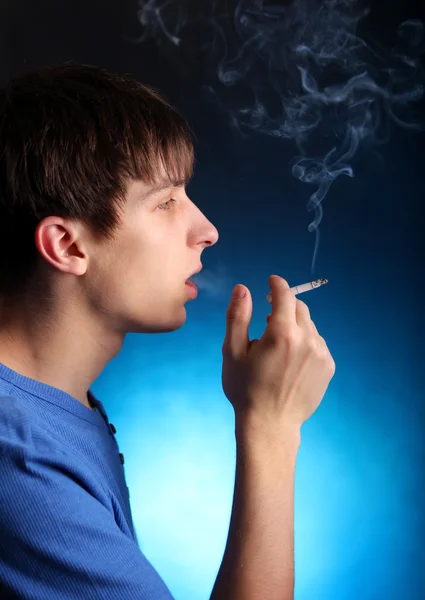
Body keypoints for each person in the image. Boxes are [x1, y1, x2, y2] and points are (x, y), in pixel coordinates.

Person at [0, 62, 336, 600]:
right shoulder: (19, 460)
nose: (207, 230)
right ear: (67, 246)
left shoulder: (52, 410)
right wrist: (270, 427)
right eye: (165, 203)